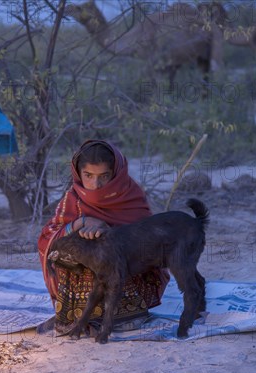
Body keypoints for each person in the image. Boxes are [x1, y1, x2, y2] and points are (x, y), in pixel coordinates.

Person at [38, 139, 170, 333]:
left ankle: (124, 315)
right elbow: (47, 241)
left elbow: (151, 246)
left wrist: (109, 233)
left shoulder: (131, 196)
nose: (95, 184)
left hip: (128, 278)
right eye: (88, 175)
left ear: (116, 174)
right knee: (70, 252)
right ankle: (74, 315)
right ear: (78, 173)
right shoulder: (73, 199)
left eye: (104, 176)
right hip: (78, 282)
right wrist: (80, 223)